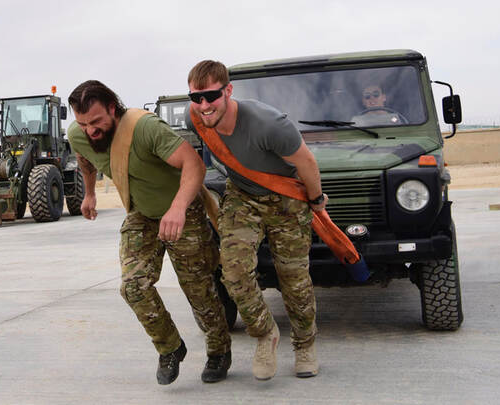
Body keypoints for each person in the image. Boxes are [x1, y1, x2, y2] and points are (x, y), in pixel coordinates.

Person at [67, 80, 231, 385]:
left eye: (96, 121)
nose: (90, 130)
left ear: (112, 108)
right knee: (133, 287)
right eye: (83, 123)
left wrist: (178, 208)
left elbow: (194, 165)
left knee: (199, 290)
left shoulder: (144, 129)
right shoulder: (78, 134)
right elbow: (85, 160)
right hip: (142, 213)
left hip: (183, 211)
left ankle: (219, 351)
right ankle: (170, 347)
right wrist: (89, 193)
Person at [186, 60, 325, 380]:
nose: (204, 105)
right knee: (233, 272)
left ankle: (305, 346)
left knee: (294, 279)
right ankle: (265, 334)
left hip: (286, 199)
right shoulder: (197, 118)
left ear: (228, 91)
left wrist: (316, 201)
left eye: (211, 96)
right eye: (196, 98)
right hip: (243, 195)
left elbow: (307, 163)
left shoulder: (269, 124)